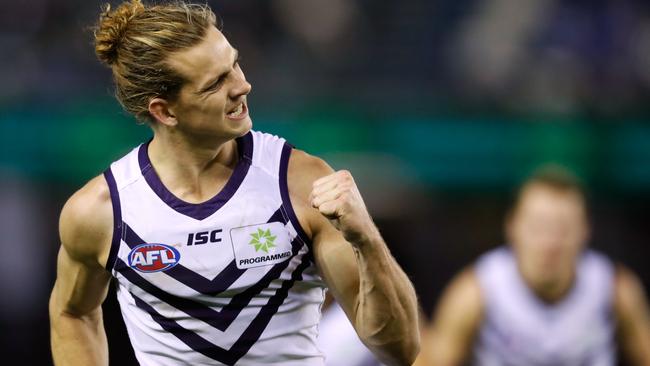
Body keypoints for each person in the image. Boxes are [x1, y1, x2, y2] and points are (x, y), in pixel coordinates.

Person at [48, 1, 419, 365]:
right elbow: (72, 314)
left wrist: (366, 239)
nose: (243, 86)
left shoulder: (300, 183)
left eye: (235, 64)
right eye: (215, 83)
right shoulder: (100, 212)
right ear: (164, 110)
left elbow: (398, 348)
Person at [417, 165, 650, 366]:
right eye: (539, 227)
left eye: (563, 229)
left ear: (585, 230)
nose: (550, 242)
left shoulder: (615, 289)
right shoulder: (477, 290)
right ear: (512, 226)